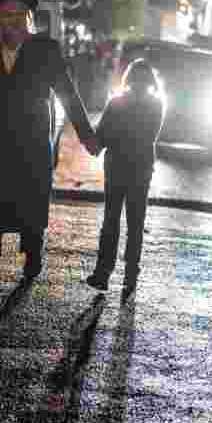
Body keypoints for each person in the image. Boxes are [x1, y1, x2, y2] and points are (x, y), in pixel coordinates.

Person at [0, 0, 99, 287]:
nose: (14, 21)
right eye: (7, 15)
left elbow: (67, 94)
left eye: (20, 15)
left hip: (32, 140)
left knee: (31, 203)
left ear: (29, 17)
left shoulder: (45, 49)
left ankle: (33, 253)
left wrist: (88, 137)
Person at [85, 59, 165, 293]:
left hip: (117, 166)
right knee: (136, 221)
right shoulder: (156, 105)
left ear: (128, 79)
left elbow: (102, 135)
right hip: (140, 168)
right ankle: (130, 273)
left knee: (112, 220)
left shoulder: (117, 103)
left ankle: (103, 272)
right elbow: (149, 136)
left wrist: (94, 142)